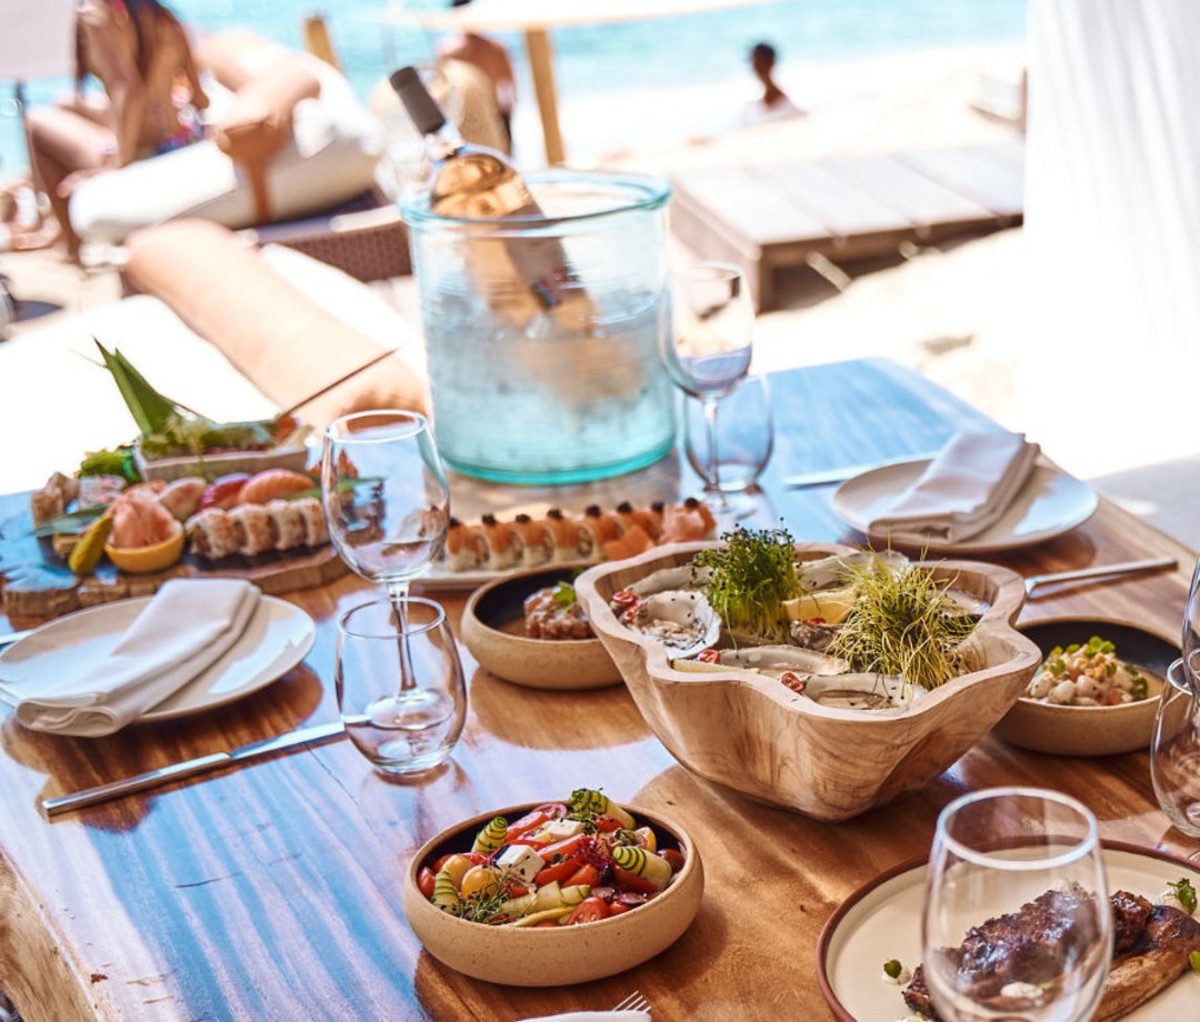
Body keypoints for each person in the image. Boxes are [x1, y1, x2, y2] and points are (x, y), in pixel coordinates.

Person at [25, 0, 208, 261]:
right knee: (64, 103)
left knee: (36, 122)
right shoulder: (163, 15)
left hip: (142, 154)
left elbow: (128, 90)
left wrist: (117, 164)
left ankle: (73, 246)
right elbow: (199, 100)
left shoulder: (99, 13)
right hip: (178, 141)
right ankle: (56, 230)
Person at [437, 0, 516, 152]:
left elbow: (441, 86)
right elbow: (510, 83)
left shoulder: (448, 50)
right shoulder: (494, 47)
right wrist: (509, 112)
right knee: (501, 162)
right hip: (491, 112)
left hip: (466, 116)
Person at [739, 41, 803, 127]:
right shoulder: (750, 106)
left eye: (762, 62)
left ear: (771, 63)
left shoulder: (792, 104)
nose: (758, 67)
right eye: (756, 63)